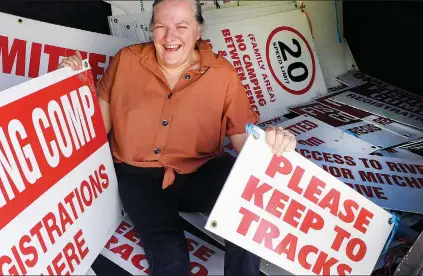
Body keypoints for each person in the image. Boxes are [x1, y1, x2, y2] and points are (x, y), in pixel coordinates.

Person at [59, 0, 297, 275]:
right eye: (161, 27)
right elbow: (95, 132)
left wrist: (275, 143)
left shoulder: (223, 74)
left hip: (198, 174)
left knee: (249, 199)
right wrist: (72, 87)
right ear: (151, 29)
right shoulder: (126, 61)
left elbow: (246, 145)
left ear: (198, 31)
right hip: (139, 176)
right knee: (170, 257)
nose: (170, 37)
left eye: (181, 27)